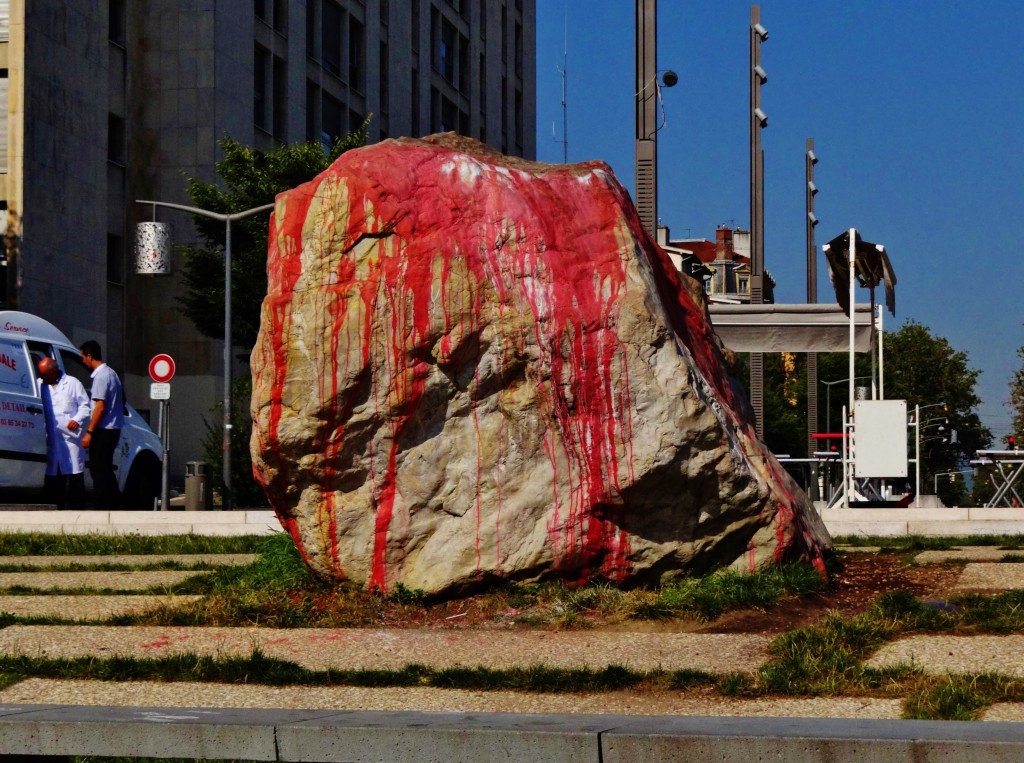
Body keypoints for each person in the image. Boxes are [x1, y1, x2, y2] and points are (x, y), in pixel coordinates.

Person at [36, 357, 91, 510]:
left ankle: (77, 513)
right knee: (54, 479)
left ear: (54, 371)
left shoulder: (72, 383)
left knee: (74, 477)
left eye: (45, 374)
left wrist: (77, 420)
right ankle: (55, 512)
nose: (42, 377)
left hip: (70, 439)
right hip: (52, 440)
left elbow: (85, 407)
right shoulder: (40, 385)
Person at [80, 340, 125, 509]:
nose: (83, 361)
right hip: (113, 428)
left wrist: (89, 432)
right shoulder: (112, 374)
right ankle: (116, 503)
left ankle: (101, 505)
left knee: (99, 469)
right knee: (105, 467)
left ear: (89, 356)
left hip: (104, 429)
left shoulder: (100, 377)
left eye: (83, 357)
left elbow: (99, 407)